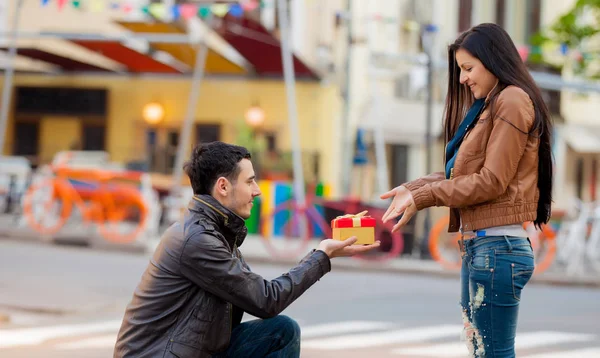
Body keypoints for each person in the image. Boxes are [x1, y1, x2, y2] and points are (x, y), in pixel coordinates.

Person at [380, 23, 553, 358]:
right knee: (481, 353)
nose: (462, 79)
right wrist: (414, 188)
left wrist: (424, 197)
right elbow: (462, 172)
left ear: (494, 61)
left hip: (498, 249)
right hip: (483, 248)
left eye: (468, 68)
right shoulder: (491, 105)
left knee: (491, 354)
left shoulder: (512, 100)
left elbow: (491, 181)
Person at [114, 141, 380, 358]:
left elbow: (256, 293)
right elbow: (266, 300)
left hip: (191, 351)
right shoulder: (197, 240)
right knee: (281, 329)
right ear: (223, 186)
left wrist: (324, 254)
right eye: (250, 181)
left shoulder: (217, 232)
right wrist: (322, 256)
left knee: (281, 332)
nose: (257, 191)